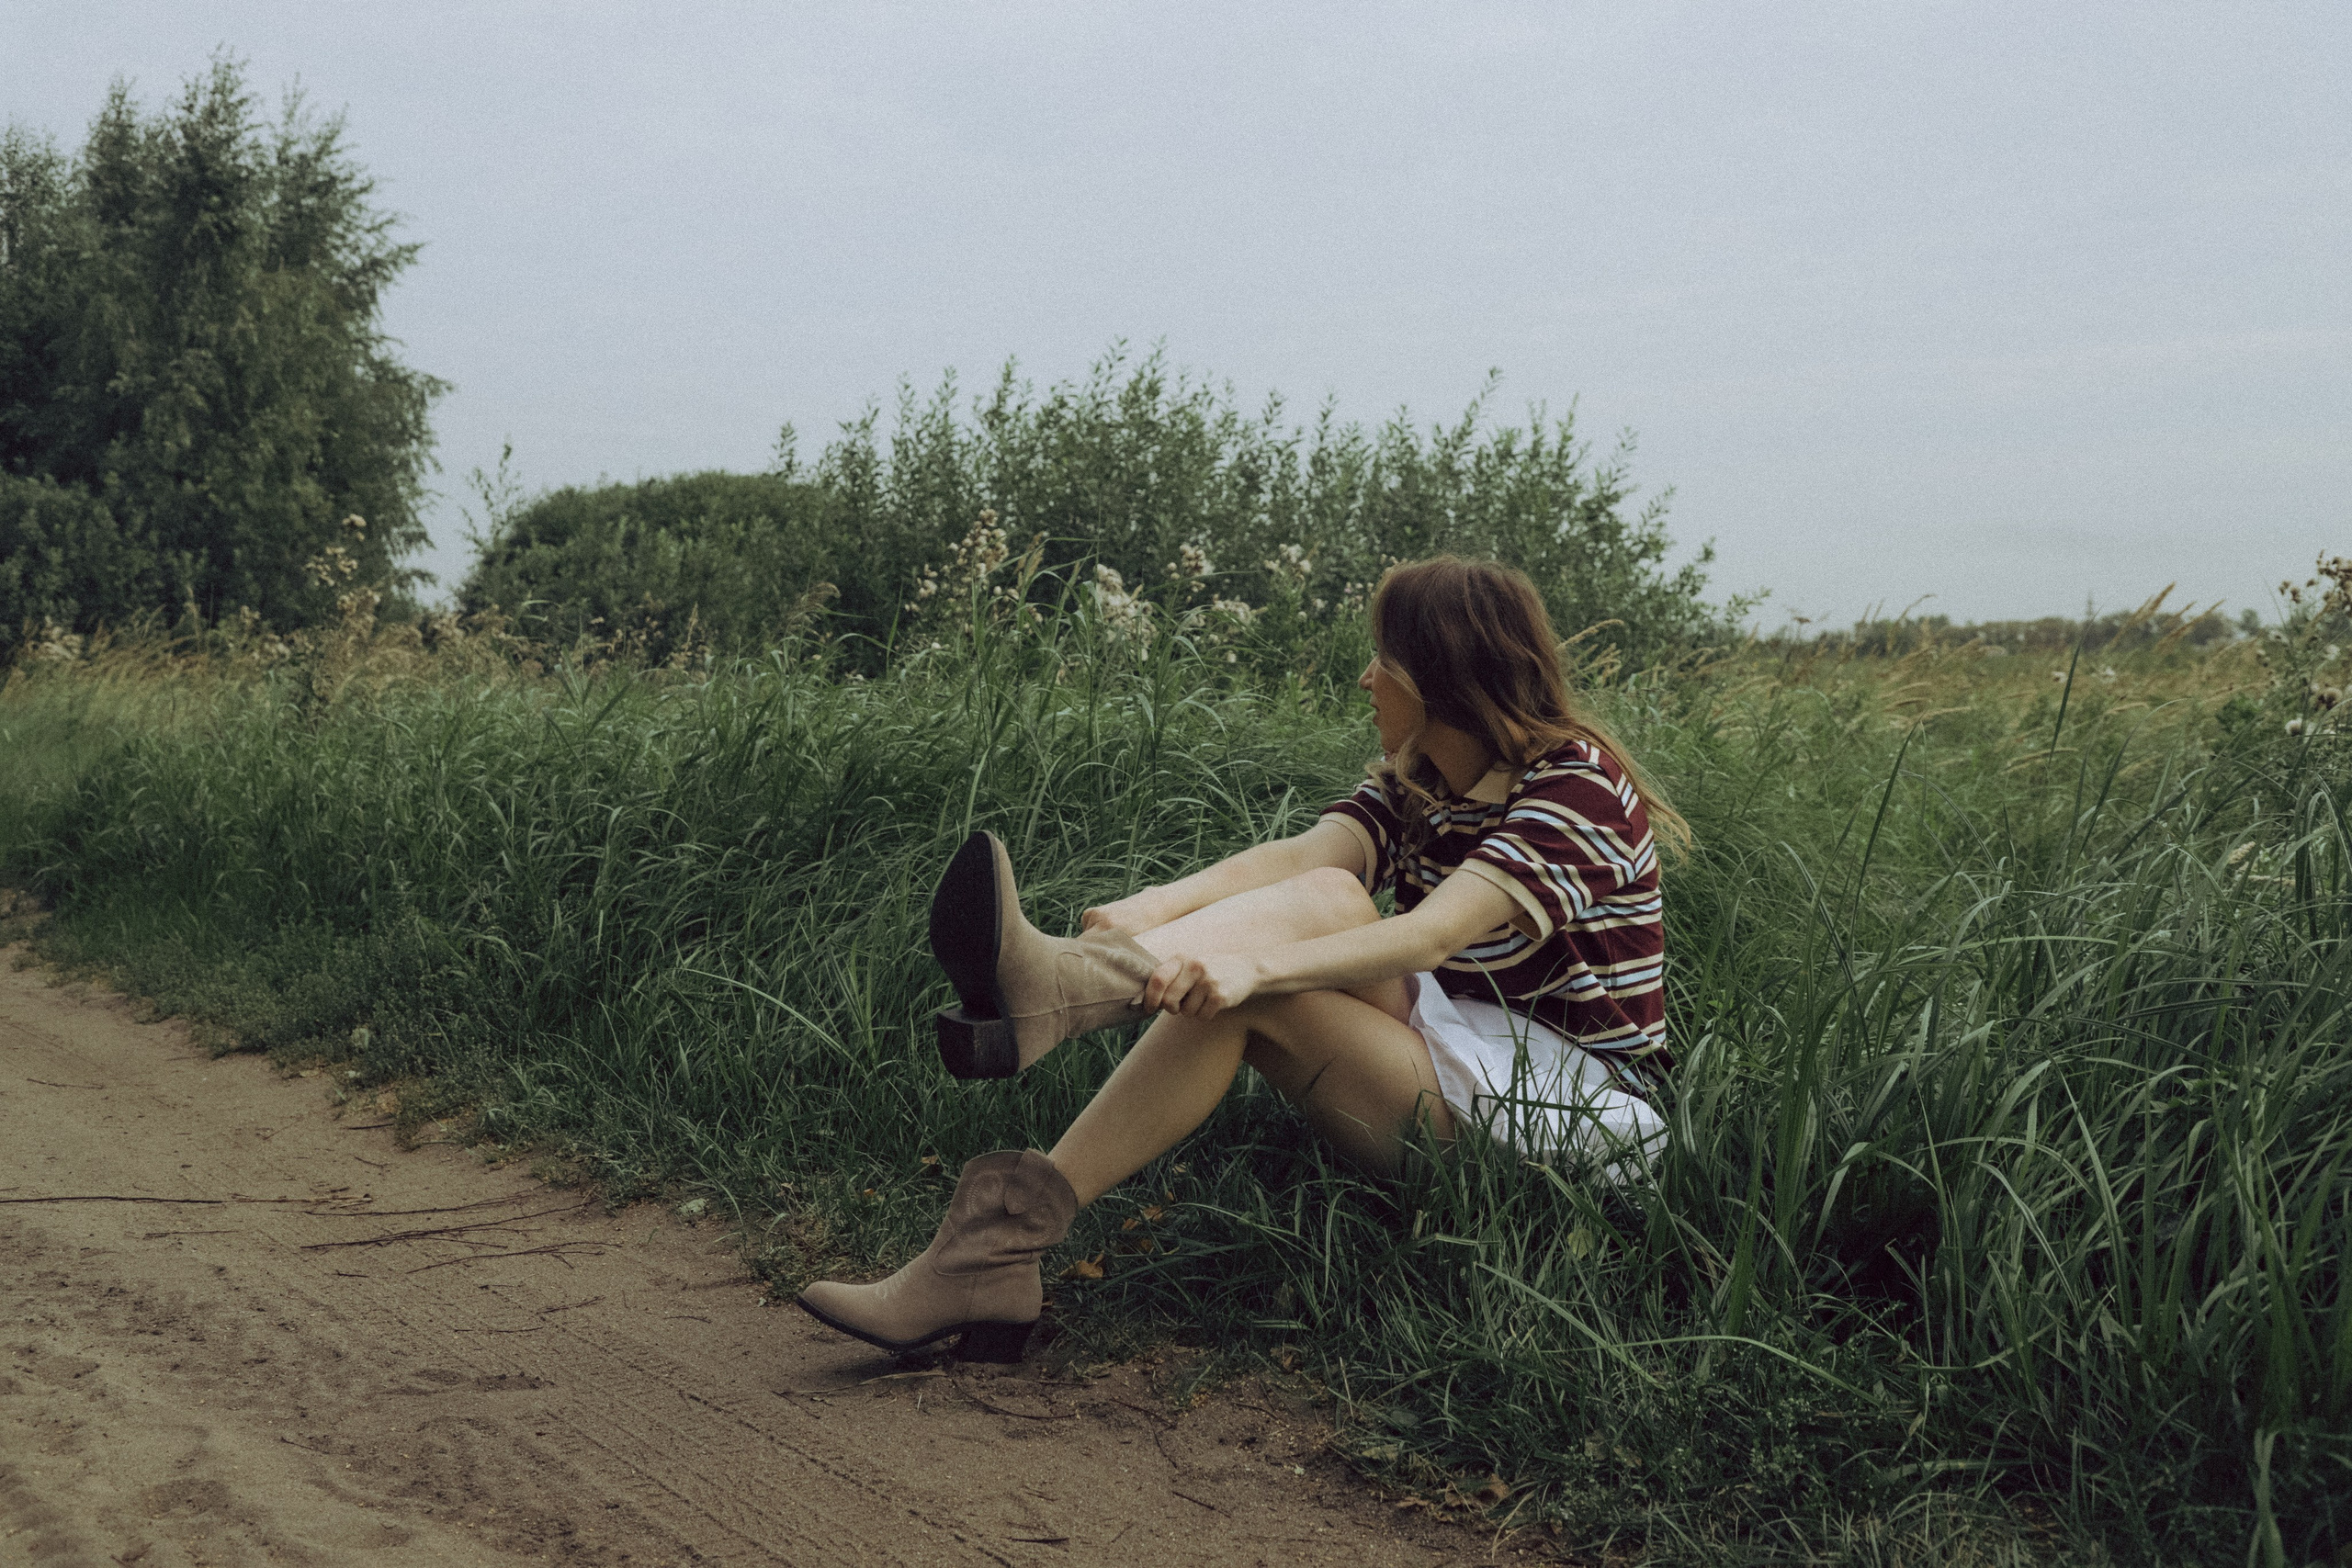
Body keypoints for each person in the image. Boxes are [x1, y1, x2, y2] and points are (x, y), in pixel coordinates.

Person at [796, 556, 1685, 1362]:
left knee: (1254, 995)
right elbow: (1302, 861)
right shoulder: (1424, 780)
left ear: (1436, 672)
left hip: (1565, 1126)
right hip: (1464, 1056)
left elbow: (1435, 935)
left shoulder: (1575, 783)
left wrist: (1254, 969)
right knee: (1335, 895)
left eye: (1382, 659)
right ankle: (1046, 1052)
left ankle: (1033, 1091)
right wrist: (1149, 911)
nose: (1365, 678)